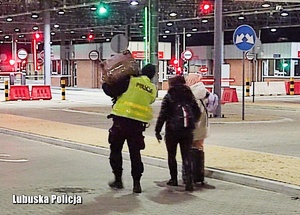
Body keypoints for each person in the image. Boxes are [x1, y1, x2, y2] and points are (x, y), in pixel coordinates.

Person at [102, 64, 157, 193]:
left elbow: (111, 91)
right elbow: (150, 101)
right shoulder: (153, 89)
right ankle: (137, 184)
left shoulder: (131, 81)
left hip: (121, 121)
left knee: (116, 150)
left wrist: (105, 83)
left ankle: (118, 180)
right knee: (135, 154)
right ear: (152, 75)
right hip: (137, 125)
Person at [155, 75, 201, 191]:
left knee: (172, 155)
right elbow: (197, 111)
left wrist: (157, 130)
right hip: (187, 130)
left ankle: (174, 179)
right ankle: (189, 181)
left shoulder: (169, 96)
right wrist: (192, 123)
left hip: (172, 130)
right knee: (186, 155)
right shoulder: (189, 95)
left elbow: (162, 115)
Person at [182, 73, 211, 184]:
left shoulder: (193, 94)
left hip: (194, 126)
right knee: (199, 148)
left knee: (190, 149)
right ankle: (198, 173)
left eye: (188, 80)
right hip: (202, 125)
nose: (186, 82)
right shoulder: (203, 91)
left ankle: (191, 174)